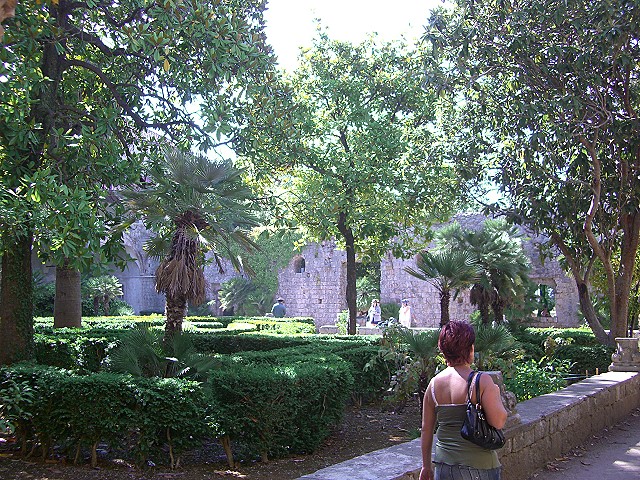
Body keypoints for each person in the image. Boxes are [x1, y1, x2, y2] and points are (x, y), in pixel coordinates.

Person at [419, 320, 508, 480]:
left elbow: (426, 429)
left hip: (444, 466)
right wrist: (496, 393)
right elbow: (499, 422)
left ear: (443, 350)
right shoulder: (481, 381)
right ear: (470, 349)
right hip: (479, 466)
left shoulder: (433, 385)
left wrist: (426, 466)